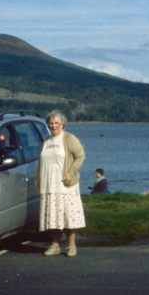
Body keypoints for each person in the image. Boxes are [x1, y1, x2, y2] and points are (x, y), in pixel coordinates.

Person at [35, 109, 86, 257]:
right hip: (49, 185)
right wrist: (38, 179)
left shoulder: (69, 138)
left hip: (65, 185)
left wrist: (71, 171)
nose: (54, 126)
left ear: (63, 124)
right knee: (54, 217)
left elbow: (80, 156)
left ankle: (71, 246)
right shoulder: (46, 141)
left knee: (68, 216)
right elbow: (41, 163)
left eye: (57, 123)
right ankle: (55, 245)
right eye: (51, 123)